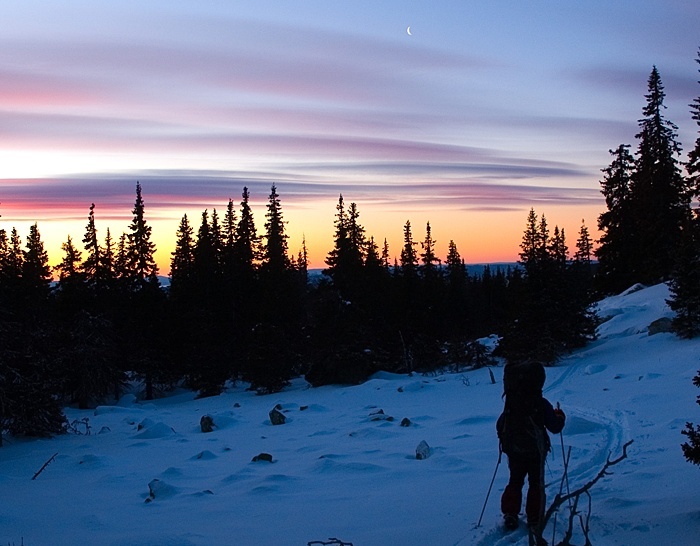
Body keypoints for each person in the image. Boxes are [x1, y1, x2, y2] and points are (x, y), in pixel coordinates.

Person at [496, 361, 566, 536]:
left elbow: (500, 424)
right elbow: (555, 427)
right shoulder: (540, 403)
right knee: (536, 483)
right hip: (536, 451)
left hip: (514, 450)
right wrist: (560, 416)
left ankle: (510, 513)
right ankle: (535, 518)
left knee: (515, 480)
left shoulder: (511, 403)